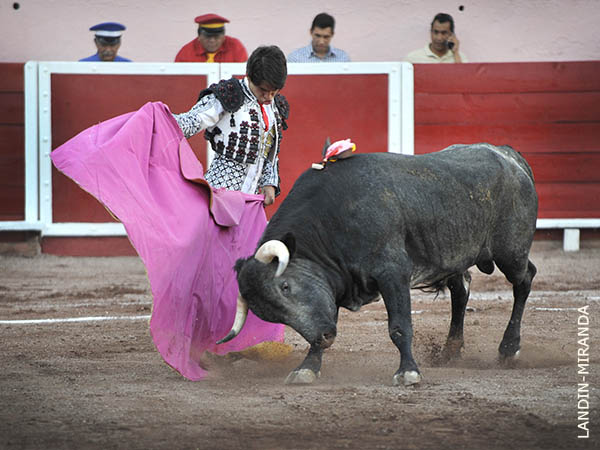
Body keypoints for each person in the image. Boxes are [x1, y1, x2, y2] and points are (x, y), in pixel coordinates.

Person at [173, 45, 289, 206]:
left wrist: (269, 181)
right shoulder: (229, 94)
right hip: (220, 197)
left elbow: (270, 152)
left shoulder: (275, 106)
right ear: (248, 76)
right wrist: (157, 119)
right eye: (263, 90)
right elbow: (191, 121)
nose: (268, 97)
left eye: (274, 91)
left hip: (252, 202)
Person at [174, 13, 248, 63]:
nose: (212, 40)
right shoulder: (186, 52)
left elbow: (242, 76)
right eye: (207, 36)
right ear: (199, 36)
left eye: (217, 36)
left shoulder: (235, 47)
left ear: (223, 37)